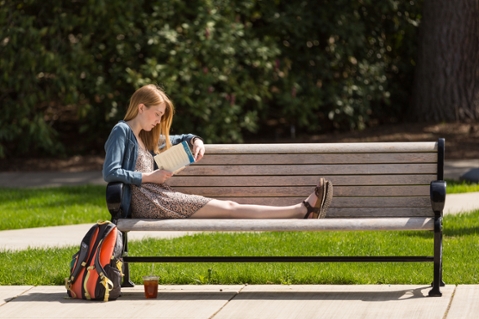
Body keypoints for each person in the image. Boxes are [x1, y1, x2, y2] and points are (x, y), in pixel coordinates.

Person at [103, 84, 333, 220]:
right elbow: (110, 172)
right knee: (229, 208)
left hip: (157, 195)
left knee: (230, 207)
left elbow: (179, 138)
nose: (159, 120)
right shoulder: (121, 131)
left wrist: (196, 140)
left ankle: (302, 210)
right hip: (148, 201)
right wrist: (149, 177)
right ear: (141, 108)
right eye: (157, 114)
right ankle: (301, 210)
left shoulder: (145, 136)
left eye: (162, 116)